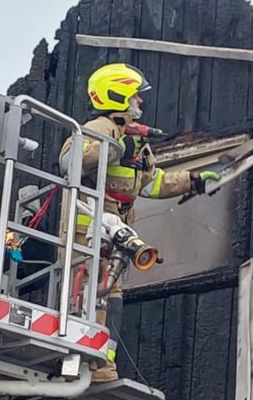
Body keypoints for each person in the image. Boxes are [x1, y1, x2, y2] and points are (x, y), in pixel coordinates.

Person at [61, 63, 218, 381]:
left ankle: (103, 364)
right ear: (116, 96)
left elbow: (152, 183)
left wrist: (193, 180)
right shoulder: (100, 128)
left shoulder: (135, 140)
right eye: (135, 96)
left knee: (112, 301)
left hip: (114, 233)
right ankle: (82, 360)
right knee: (90, 296)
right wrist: (116, 148)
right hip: (86, 230)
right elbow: (71, 160)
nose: (140, 103)